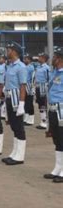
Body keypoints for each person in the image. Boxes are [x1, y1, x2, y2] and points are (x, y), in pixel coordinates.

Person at [1, 44, 28, 166]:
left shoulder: (21, 67)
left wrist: (22, 104)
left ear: (15, 52)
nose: (7, 51)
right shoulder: (10, 66)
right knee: (13, 126)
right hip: (9, 98)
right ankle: (15, 152)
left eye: (9, 50)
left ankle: (20, 156)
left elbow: (23, 86)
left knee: (18, 127)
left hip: (16, 99)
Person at [43, 46, 63, 183]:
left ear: (60, 59)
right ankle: (58, 168)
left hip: (62, 109)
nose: (52, 59)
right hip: (53, 109)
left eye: (55, 57)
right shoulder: (54, 73)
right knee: (56, 139)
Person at [35, 53, 51, 129]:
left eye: (40, 57)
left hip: (43, 88)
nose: (38, 58)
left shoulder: (47, 68)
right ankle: (42, 121)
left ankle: (45, 122)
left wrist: (47, 89)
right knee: (40, 104)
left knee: (43, 105)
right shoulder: (38, 67)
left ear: (44, 59)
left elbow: (49, 79)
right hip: (38, 87)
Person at [23, 53, 35, 126]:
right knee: (26, 103)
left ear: (29, 60)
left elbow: (33, 79)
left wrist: (32, 88)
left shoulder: (31, 67)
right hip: (25, 85)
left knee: (30, 103)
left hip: (29, 86)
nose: (25, 60)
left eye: (26, 58)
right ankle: (26, 118)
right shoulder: (25, 66)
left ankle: (31, 119)